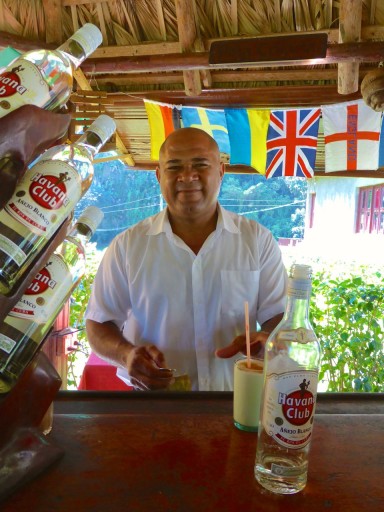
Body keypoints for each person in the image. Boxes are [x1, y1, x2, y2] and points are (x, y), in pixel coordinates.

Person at [85, 127, 287, 391]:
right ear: (159, 176)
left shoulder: (257, 241)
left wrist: (267, 340)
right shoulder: (127, 246)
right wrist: (126, 355)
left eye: (201, 165)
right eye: (174, 167)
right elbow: (99, 323)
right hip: (154, 406)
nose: (187, 176)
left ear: (221, 172)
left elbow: (280, 315)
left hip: (237, 403)